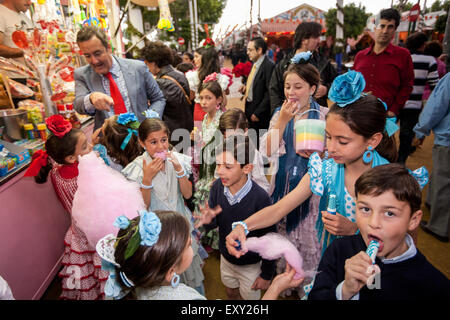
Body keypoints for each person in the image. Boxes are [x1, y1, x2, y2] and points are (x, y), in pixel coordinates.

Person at [225, 71, 403, 262]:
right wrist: (243, 226)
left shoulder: (391, 181)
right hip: (331, 260)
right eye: (327, 137)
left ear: (373, 140)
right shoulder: (324, 169)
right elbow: (279, 209)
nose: (331, 148)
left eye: (342, 141)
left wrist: (355, 229)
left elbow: (402, 238)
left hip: (370, 267)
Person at [308, 164, 450, 300]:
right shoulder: (339, 251)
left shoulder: (434, 285)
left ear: (413, 220)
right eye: (365, 209)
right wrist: (345, 291)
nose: (373, 223)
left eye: (389, 213)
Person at [97, 210, 303, 300]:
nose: (194, 243)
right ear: (170, 272)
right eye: (188, 244)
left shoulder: (140, 284)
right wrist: (276, 286)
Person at [259, 54, 328, 297]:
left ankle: (305, 288)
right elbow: (266, 151)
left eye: (298, 86)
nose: (291, 91)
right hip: (281, 188)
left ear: (313, 88)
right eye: (288, 86)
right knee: (283, 242)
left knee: (309, 245)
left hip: (310, 195)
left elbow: (333, 157)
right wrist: (283, 122)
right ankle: (283, 284)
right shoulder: (280, 113)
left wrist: (321, 157)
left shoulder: (324, 116)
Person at [24, 115, 108, 300]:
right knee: (99, 261)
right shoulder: (84, 175)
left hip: (77, 228)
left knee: (84, 263)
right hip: (92, 227)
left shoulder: (56, 170)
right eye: (85, 146)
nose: (91, 148)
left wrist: (89, 145)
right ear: (70, 157)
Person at [121, 115, 205, 294]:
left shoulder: (178, 159)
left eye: (164, 140)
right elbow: (142, 206)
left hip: (182, 223)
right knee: (165, 271)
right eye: (153, 142)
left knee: (187, 269)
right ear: (142, 143)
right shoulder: (137, 168)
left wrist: (180, 171)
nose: (160, 147)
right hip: (159, 234)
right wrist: (147, 179)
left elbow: (188, 194)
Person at [195, 135, 276, 300]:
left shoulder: (260, 198)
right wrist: (208, 220)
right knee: (231, 292)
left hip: (251, 265)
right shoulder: (218, 187)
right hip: (226, 258)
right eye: (218, 164)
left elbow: (270, 238)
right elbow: (215, 221)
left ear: (247, 168)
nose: (220, 171)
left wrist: (267, 274)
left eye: (228, 166)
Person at [74, 26, 166, 130]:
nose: (94, 61)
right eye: (87, 56)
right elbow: (78, 104)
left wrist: (150, 123)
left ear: (108, 48)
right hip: (108, 143)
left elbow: (158, 99)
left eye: (97, 53)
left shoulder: (137, 68)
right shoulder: (82, 75)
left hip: (142, 138)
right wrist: (91, 98)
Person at [353, 8, 414, 117]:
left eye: (390, 27)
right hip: (358, 115)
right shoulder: (360, 56)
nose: (385, 31)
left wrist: (393, 110)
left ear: (395, 30)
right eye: (382, 26)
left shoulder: (403, 55)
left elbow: (407, 86)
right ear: (375, 28)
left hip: (385, 118)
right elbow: (352, 82)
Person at [413, 73, 450, 243]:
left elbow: (436, 107)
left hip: (447, 141)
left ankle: (439, 227)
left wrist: (421, 130)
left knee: (444, 182)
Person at [269, 22, 338, 112]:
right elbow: (274, 92)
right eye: (316, 37)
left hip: (316, 117)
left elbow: (338, 82)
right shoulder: (283, 65)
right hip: (291, 117)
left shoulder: (322, 61)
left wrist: (326, 89)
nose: (319, 40)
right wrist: (278, 114)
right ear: (304, 40)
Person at [190, 78, 224, 251]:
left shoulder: (222, 120)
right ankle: (207, 238)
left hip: (216, 170)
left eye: (208, 98)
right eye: (201, 98)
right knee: (203, 201)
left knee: (214, 202)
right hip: (205, 168)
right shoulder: (204, 119)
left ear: (219, 99)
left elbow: (225, 150)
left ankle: (217, 241)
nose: (203, 102)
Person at [397, 32, 439, 164]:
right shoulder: (430, 61)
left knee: (386, 130)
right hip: (414, 104)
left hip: (396, 102)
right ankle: (400, 162)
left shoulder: (402, 57)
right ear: (423, 44)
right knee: (406, 133)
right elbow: (435, 86)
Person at [141, 41, 193, 145]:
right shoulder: (179, 74)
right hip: (185, 127)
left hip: (173, 133)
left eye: (147, 63)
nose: (146, 67)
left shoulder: (162, 83)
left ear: (154, 62)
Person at [218, 108, 270, 193]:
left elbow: (263, 186)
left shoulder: (253, 155)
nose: (233, 142)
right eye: (228, 138)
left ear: (245, 131)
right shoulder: (221, 151)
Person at [185, 43, 231, 129]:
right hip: (217, 111)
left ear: (205, 59)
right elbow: (224, 102)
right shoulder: (221, 78)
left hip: (200, 109)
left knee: (200, 138)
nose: (194, 60)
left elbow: (191, 97)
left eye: (196, 56)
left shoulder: (192, 77)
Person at [239, 37, 274, 133]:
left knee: (260, 141)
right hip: (250, 107)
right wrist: (246, 86)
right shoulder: (255, 64)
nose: (247, 52)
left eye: (250, 50)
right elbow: (255, 81)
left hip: (259, 113)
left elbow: (269, 92)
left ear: (259, 50)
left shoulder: (268, 65)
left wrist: (258, 113)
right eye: (247, 50)